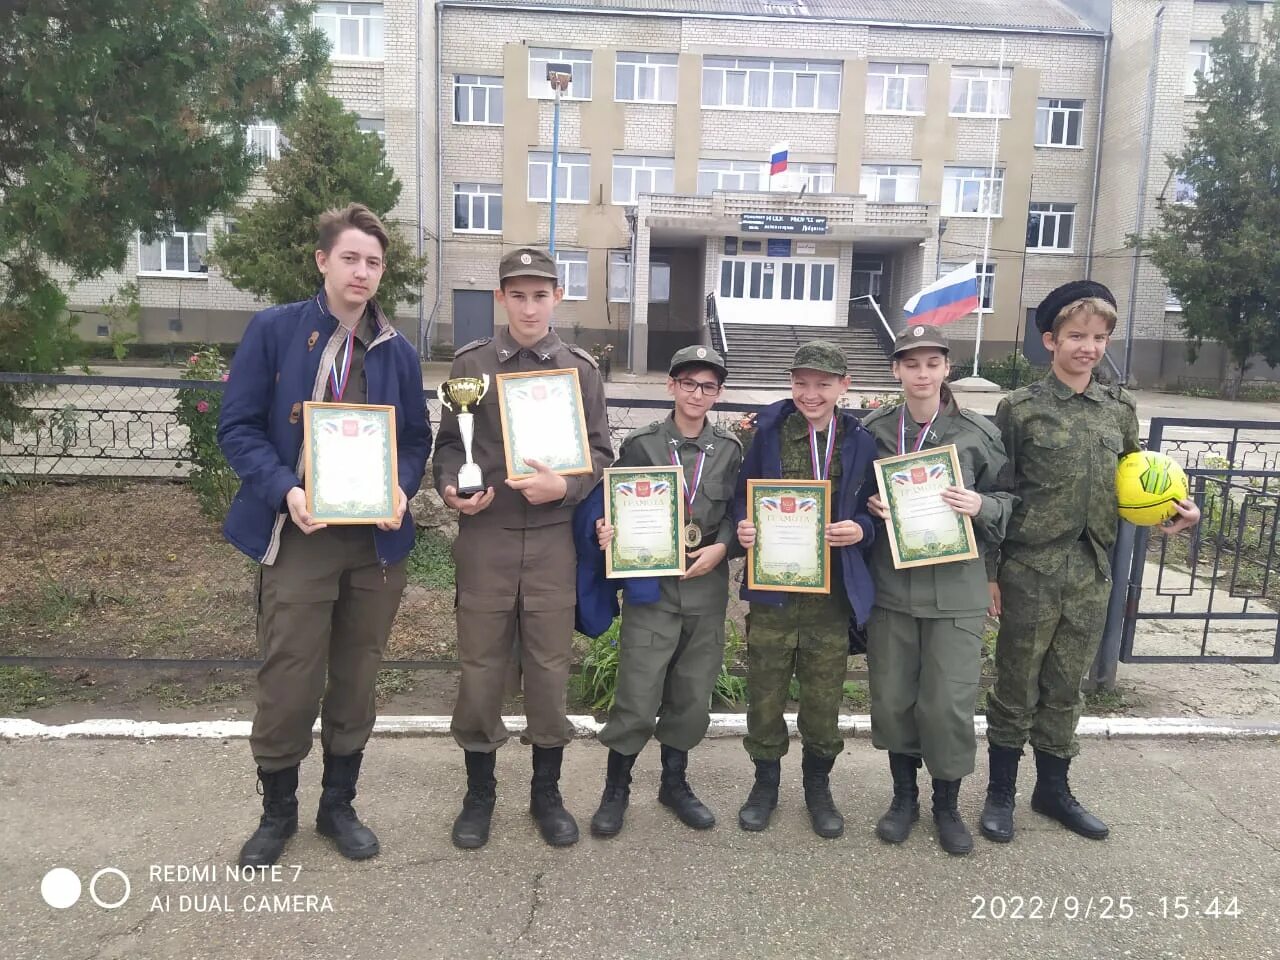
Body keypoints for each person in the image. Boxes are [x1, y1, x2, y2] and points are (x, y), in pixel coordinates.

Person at [218, 202, 432, 867]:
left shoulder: (397, 349)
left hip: (373, 546)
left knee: (356, 679)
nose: (361, 272)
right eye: (350, 258)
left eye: (372, 262)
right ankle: (276, 813)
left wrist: (401, 485)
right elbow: (238, 429)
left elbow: (416, 441)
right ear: (322, 261)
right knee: (289, 680)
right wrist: (286, 488)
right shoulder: (275, 330)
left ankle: (337, 806)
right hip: (301, 535)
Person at [981, 281, 1200, 844]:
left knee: (1066, 685)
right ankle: (1000, 793)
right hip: (1030, 569)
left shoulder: (1119, 409)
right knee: (1016, 683)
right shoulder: (1020, 408)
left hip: (1091, 569)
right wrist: (990, 573)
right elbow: (1000, 494)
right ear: (1051, 340)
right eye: (1077, 336)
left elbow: (1137, 481)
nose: (1089, 347)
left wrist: (1175, 512)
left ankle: (1052, 790)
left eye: (1100, 337)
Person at [433, 247, 612, 850]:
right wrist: (453, 491)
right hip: (487, 537)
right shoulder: (472, 364)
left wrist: (566, 485)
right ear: (501, 299)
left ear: (557, 297)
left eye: (541, 294)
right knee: (480, 668)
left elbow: (600, 451)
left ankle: (547, 793)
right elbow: (447, 450)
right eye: (518, 294)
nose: (530, 305)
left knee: (548, 669)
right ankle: (479, 793)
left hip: (552, 542)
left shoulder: (580, 371)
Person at [861, 324, 1014, 855]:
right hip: (893, 589)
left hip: (956, 590)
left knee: (948, 704)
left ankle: (946, 805)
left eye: (932, 363)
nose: (922, 374)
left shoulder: (977, 432)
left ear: (947, 368)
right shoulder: (876, 429)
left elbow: (1012, 501)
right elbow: (851, 496)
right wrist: (870, 508)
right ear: (896, 370)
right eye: (911, 363)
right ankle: (904, 799)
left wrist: (983, 506)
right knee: (895, 699)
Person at [584, 345, 743, 837]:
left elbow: (739, 515)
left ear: (718, 394)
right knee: (638, 688)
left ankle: (674, 782)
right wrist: (607, 532)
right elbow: (614, 502)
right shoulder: (642, 444)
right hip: (652, 588)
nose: (698, 394)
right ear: (671, 386)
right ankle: (617, 789)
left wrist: (723, 548)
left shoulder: (731, 450)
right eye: (689, 383)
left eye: (709, 386)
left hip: (706, 588)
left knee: (693, 693)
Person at [732, 341, 877, 838]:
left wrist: (860, 529)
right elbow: (741, 498)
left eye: (822, 383)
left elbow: (875, 511)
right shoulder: (769, 432)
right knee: (765, 695)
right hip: (773, 592)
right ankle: (765, 785)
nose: (810, 394)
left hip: (830, 598)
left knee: (823, 700)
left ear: (844, 386)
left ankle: (818, 787)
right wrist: (744, 527)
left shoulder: (859, 440)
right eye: (801, 383)